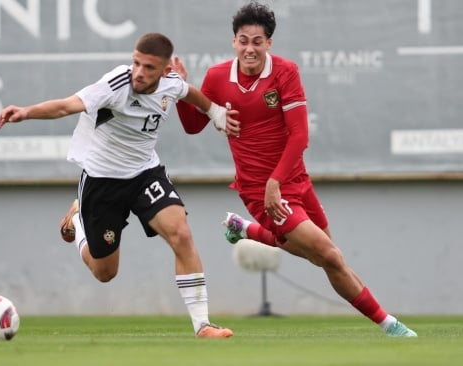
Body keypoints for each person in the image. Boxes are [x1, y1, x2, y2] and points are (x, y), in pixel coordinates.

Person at [174, 2, 417, 337]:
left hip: (294, 182)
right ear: (234, 42)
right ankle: (390, 325)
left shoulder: (285, 72)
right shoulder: (217, 77)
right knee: (329, 255)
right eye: (243, 40)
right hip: (259, 190)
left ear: (269, 44)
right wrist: (182, 93)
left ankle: (246, 230)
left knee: (328, 259)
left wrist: (278, 181)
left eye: (257, 41)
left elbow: (299, 135)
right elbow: (191, 127)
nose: (249, 48)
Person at [0, 33, 233, 338]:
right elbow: (66, 106)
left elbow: (189, 93)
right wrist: (25, 112)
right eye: (136, 62)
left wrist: (215, 113)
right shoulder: (116, 84)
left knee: (181, 234)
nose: (139, 72)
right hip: (103, 181)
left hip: (146, 174)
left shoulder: (170, 83)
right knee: (105, 272)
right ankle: (79, 220)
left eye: (149, 67)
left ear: (164, 70)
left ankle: (202, 325)